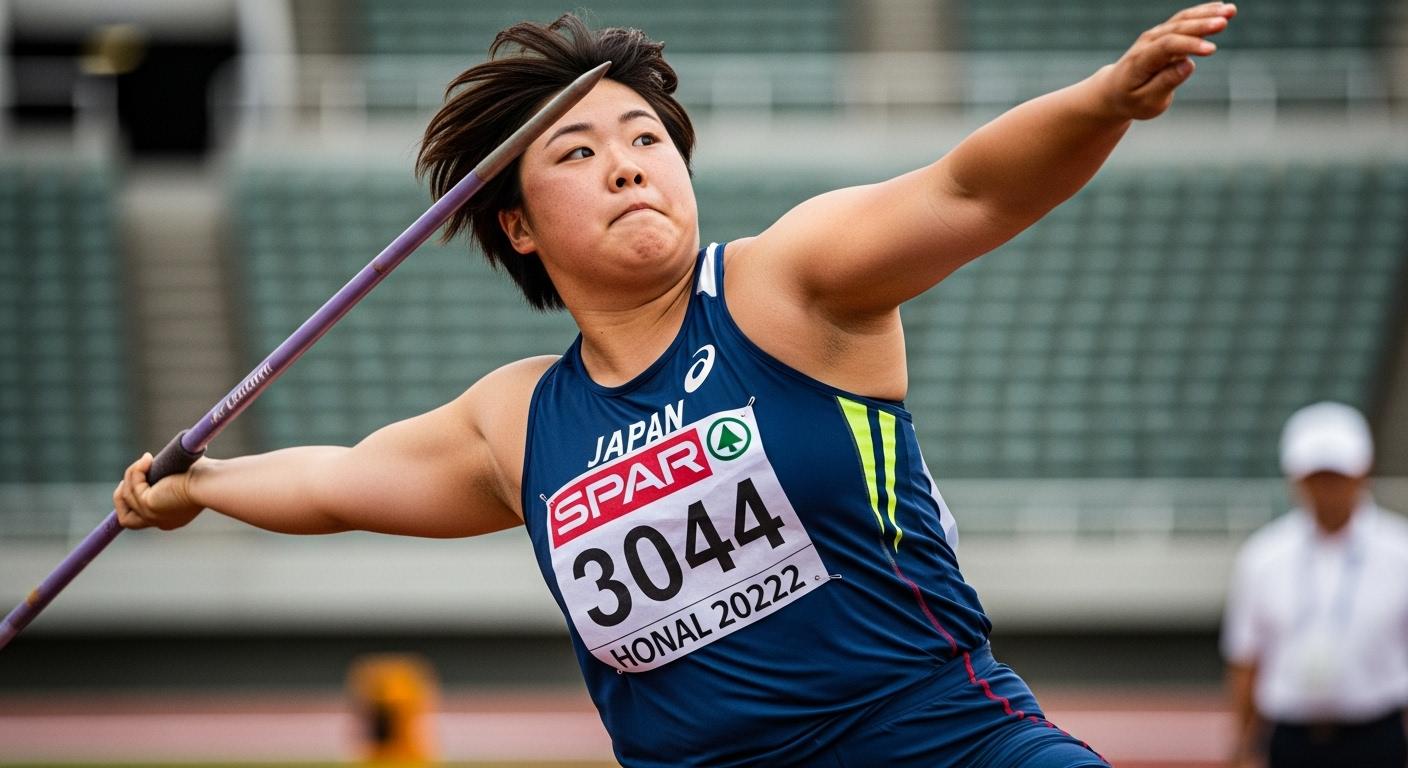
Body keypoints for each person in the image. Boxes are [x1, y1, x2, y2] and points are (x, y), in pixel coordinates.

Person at [115, 5, 1237, 765]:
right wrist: (201, 484)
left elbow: (967, 191)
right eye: (576, 152)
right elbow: (340, 482)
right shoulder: (517, 420)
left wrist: (1104, 101)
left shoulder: (784, 288)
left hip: (948, 746)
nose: (626, 165)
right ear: (517, 226)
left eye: (646, 138)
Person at [1222, 402, 1408, 768]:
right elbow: (1246, 658)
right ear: (1295, 480)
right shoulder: (1263, 556)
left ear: (1362, 473)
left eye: (1336, 476)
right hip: (1291, 738)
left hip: (1377, 735)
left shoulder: (1401, 552)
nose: (1326, 490)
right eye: (1316, 478)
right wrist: (1242, 744)